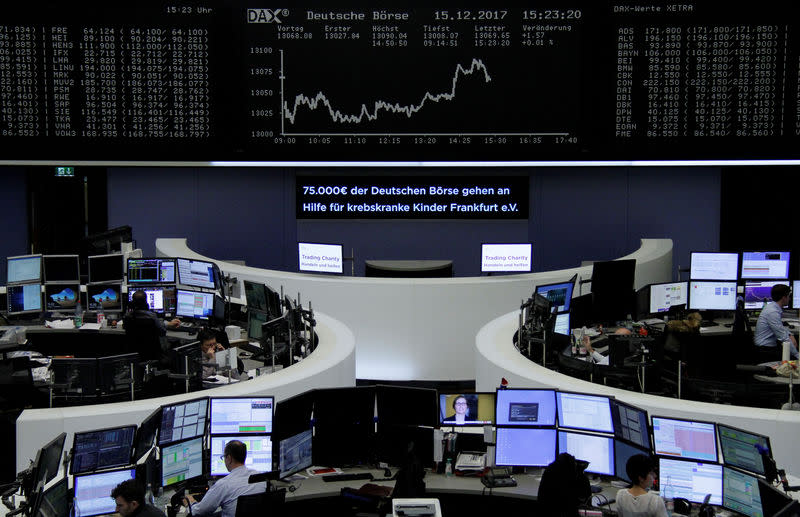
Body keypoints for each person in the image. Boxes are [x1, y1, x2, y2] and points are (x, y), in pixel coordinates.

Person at [184, 440, 266, 517]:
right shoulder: (259, 477)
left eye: (224, 457)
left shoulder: (224, 484)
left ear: (229, 458)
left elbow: (199, 511)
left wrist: (191, 502)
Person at [123, 290, 181, 363]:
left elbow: (125, 327)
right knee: (178, 343)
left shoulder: (127, 317)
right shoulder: (151, 316)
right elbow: (162, 332)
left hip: (135, 353)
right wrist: (167, 324)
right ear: (146, 302)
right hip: (153, 353)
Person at [754, 284, 799, 359]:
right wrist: (797, 355)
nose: (789, 299)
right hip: (765, 350)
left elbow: (779, 328)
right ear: (784, 298)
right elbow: (783, 337)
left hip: (767, 347)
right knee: (792, 356)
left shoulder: (772, 307)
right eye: (788, 296)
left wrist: (790, 334)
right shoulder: (773, 312)